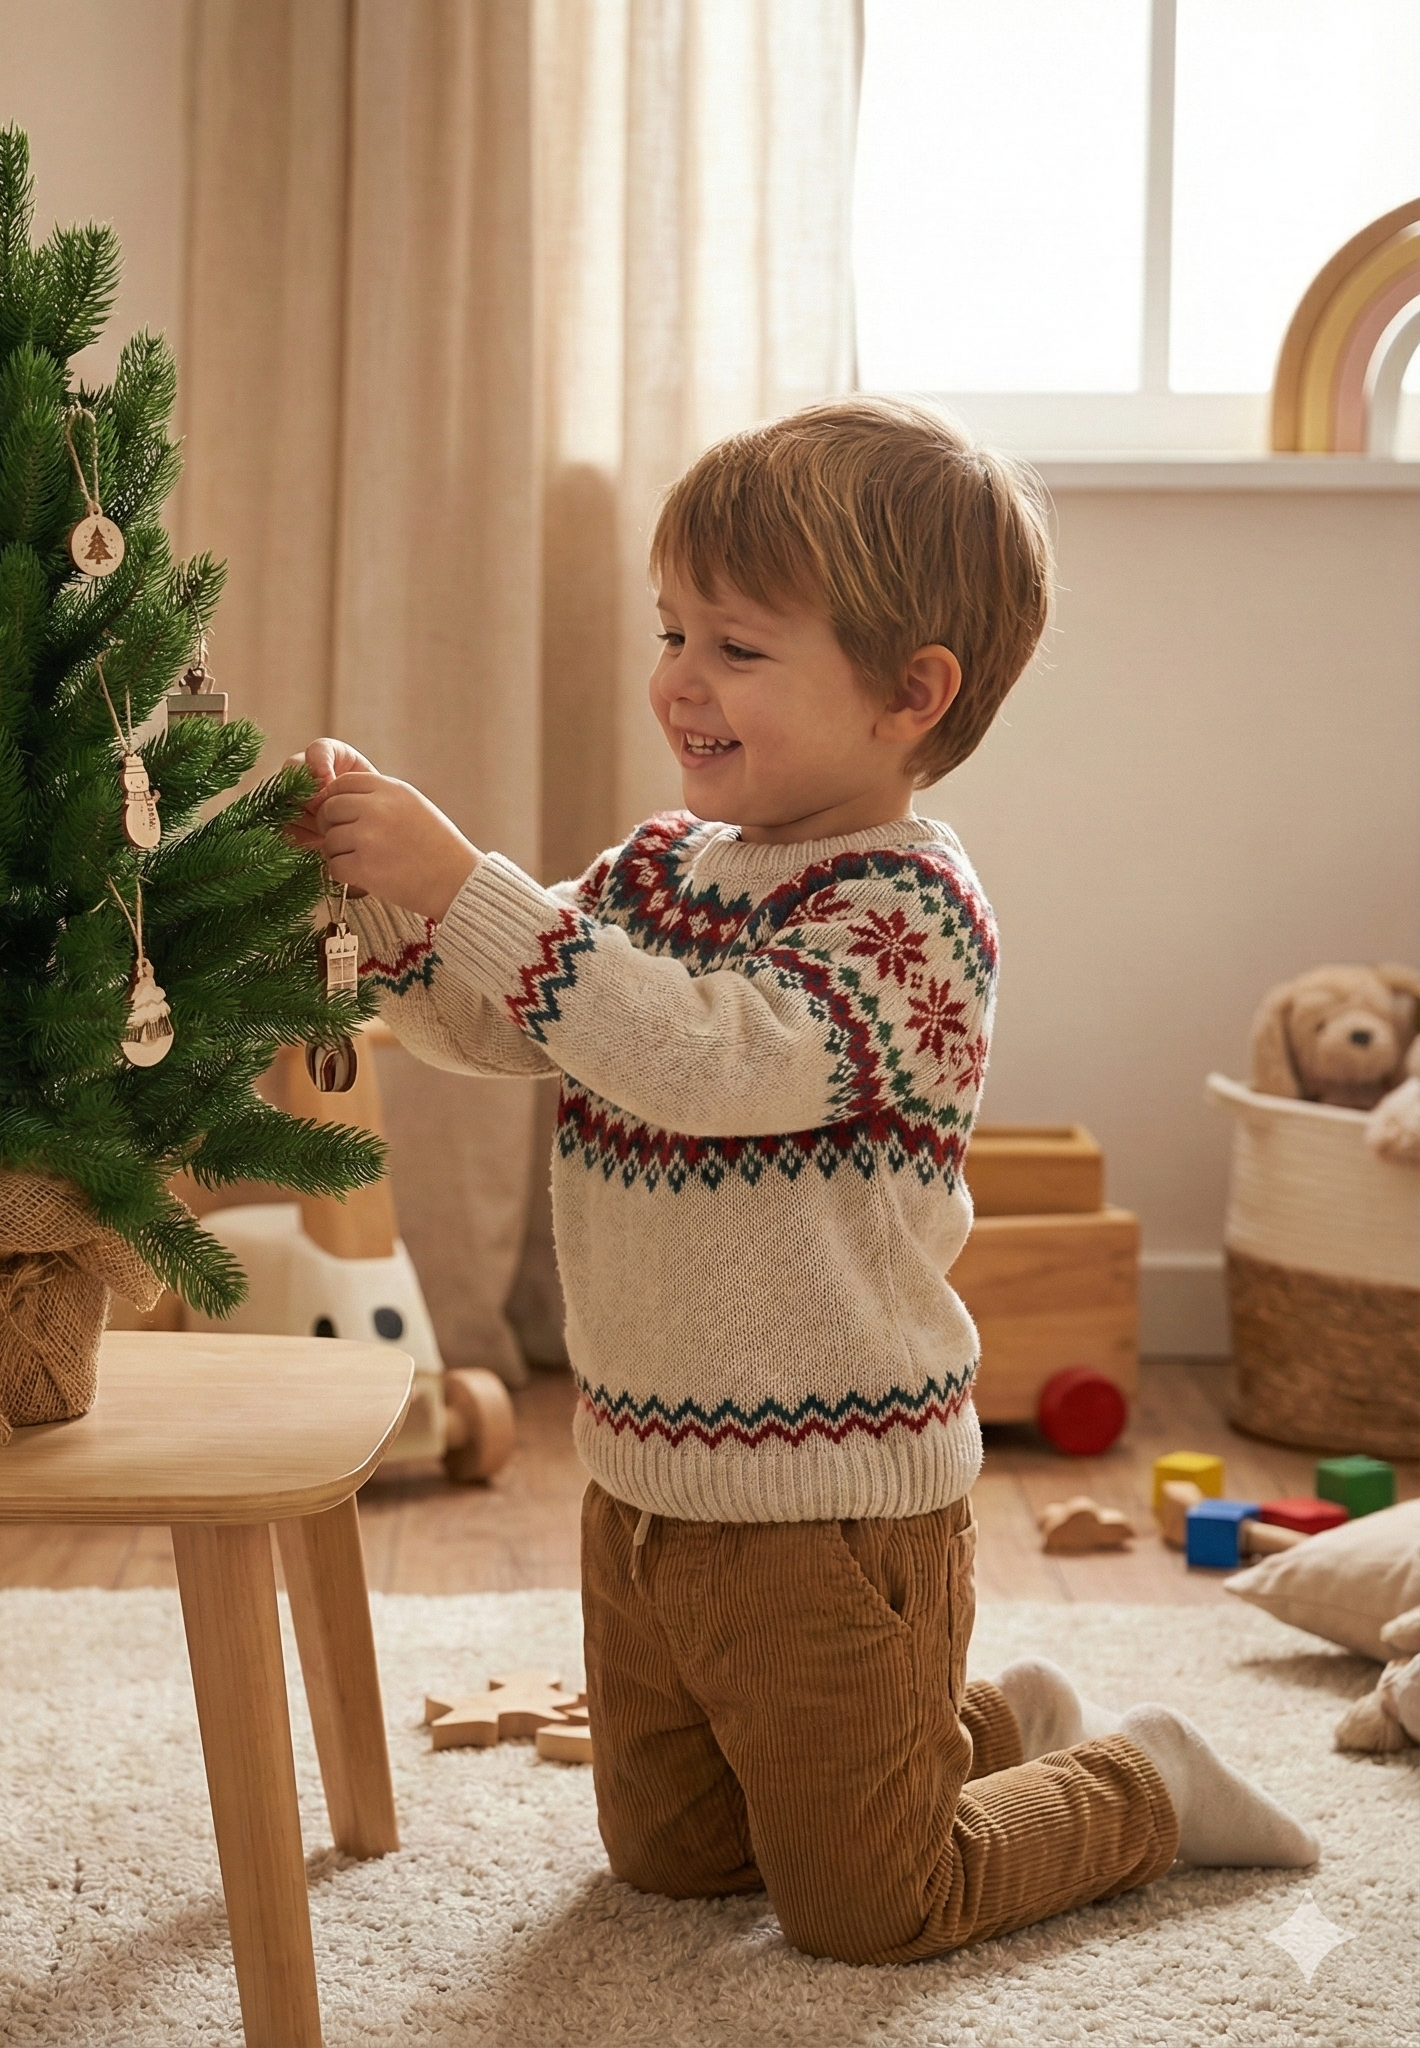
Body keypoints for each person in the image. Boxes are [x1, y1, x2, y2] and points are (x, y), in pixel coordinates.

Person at [288, 395, 1316, 1964]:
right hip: (642, 1484)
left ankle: (1143, 1784)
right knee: (674, 1861)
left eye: (736, 647)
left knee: (876, 1905)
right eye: (671, 631)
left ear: (911, 694)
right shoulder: (655, 869)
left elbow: (706, 1061)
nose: (678, 680)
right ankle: (982, 1731)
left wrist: (465, 883)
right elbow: (511, 1022)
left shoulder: (910, 916)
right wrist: (376, 920)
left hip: (831, 1499)